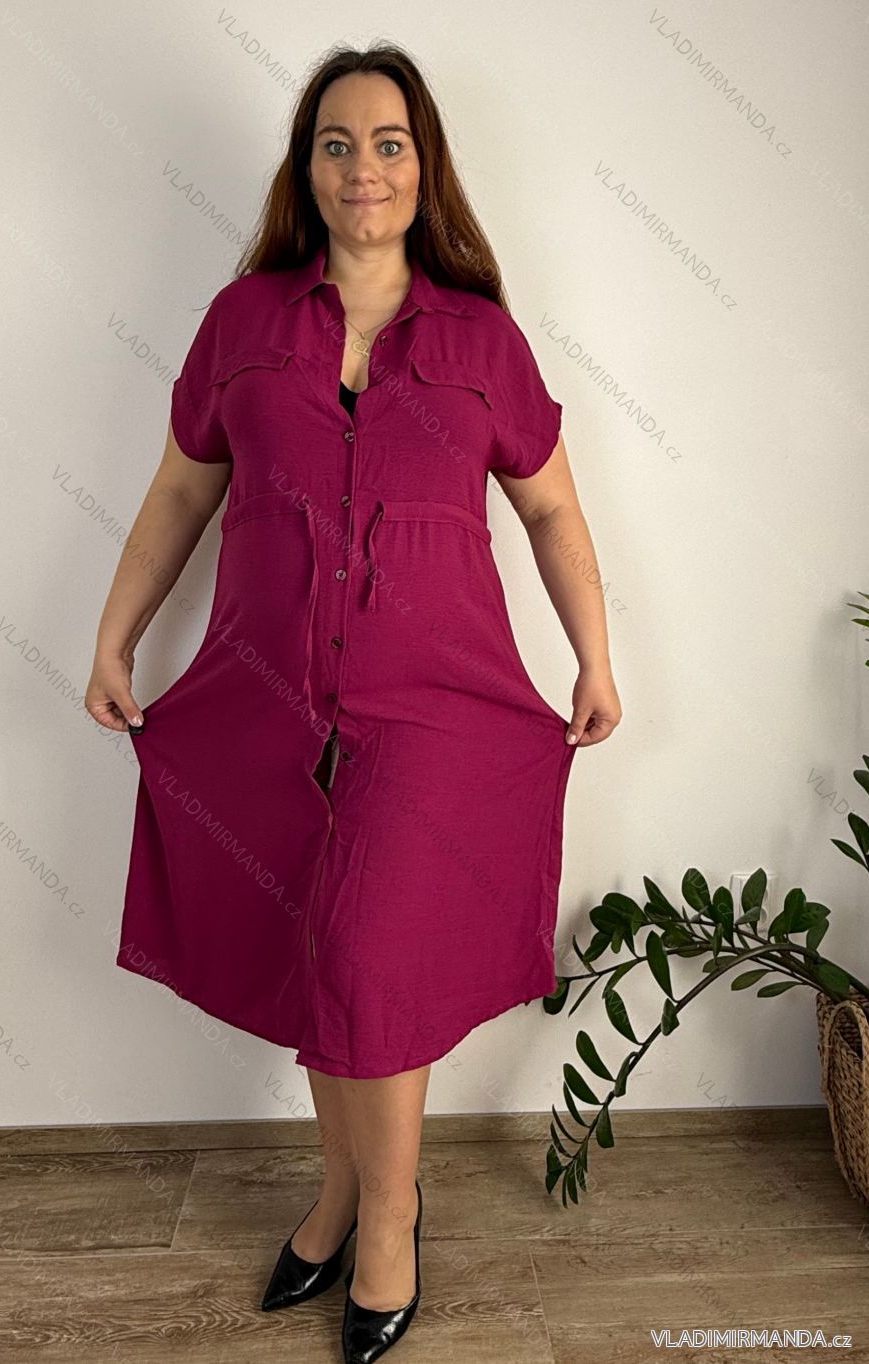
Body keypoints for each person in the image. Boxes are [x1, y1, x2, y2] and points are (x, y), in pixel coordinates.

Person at [86, 41, 621, 1364]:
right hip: (267, 706)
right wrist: (116, 637)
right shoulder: (243, 325)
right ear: (306, 168)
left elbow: (551, 512)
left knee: (375, 959)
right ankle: (337, 1190)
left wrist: (594, 657)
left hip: (435, 711)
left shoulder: (482, 340)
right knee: (315, 952)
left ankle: (390, 1214)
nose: (362, 168)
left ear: (424, 168)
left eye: (388, 143)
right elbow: (182, 491)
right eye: (337, 143)